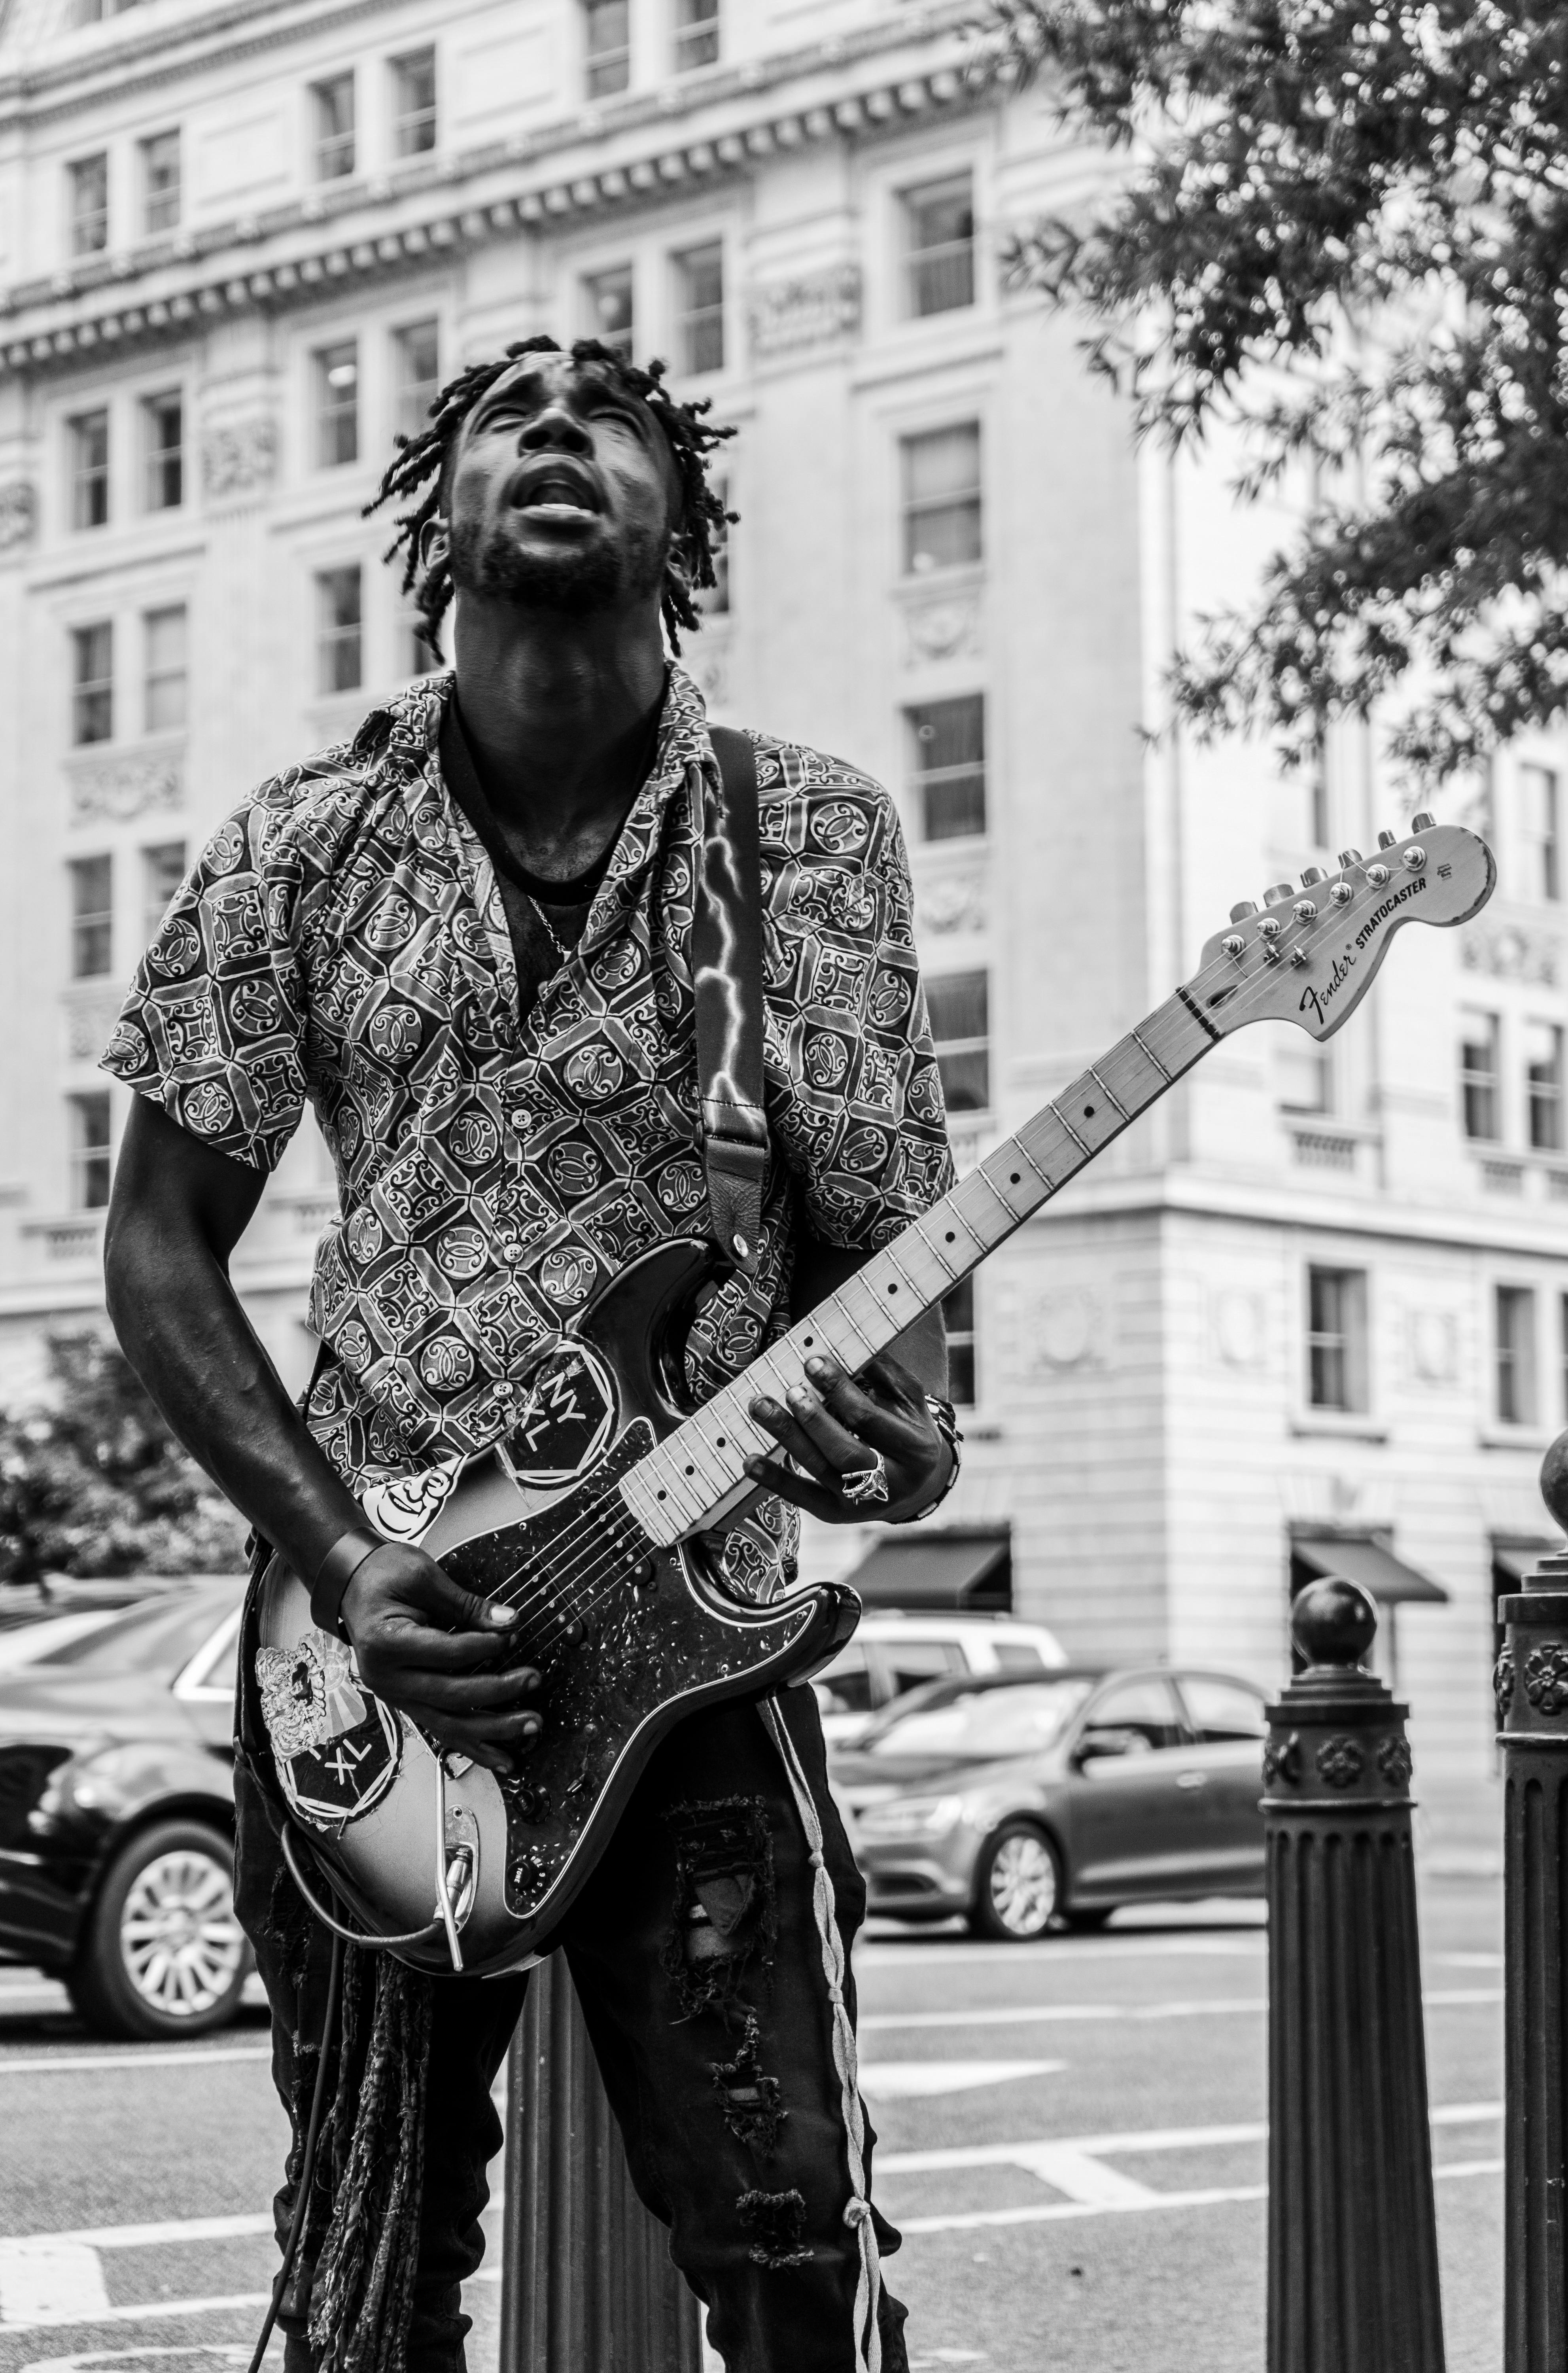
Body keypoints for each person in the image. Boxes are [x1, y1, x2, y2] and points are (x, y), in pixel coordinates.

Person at [100, 333, 958, 2373]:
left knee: (792, 2251)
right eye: (509, 419)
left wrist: (885, 1437)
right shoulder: (297, 841)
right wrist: (339, 1557)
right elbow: (157, 1246)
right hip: (383, 1636)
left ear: (688, 527)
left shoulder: (812, 838)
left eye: (614, 423)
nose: (557, 436)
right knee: (366, 2278)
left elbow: (897, 1279)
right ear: (439, 517)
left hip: (695, 1611)